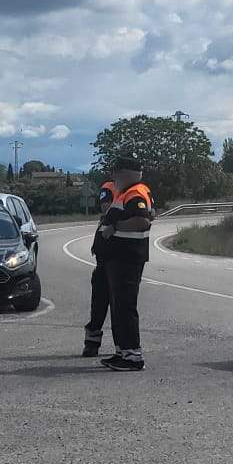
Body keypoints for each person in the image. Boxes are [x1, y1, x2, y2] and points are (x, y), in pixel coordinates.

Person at [96, 158, 154, 372]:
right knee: (118, 306)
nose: (113, 177)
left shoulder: (135, 192)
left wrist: (114, 227)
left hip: (127, 258)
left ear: (125, 173)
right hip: (119, 257)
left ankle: (133, 355)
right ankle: (123, 351)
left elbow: (141, 221)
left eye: (116, 172)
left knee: (125, 306)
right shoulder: (127, 191)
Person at [81, 177, 118, 358]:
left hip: (122, 259)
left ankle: (123, 347)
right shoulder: (109, 187)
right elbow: (105, 207)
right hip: (104, 258)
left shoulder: (137, 190)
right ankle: (92, 343)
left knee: (121, 307)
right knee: (98, 306)